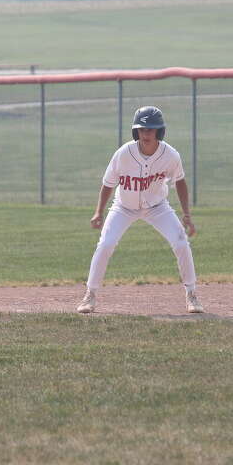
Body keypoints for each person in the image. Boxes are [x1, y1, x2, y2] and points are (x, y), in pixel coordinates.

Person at [78, 106, 202, 314]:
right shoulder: (124, 153)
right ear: (136, 131)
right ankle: (90, 294)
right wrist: (98, 211)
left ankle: (192, 295)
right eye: (142, 129)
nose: (146, 134)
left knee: (181, 242)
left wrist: (187, 215)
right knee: (106, 244)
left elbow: (179, 182)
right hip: (123, 207)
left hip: (157, 207)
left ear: (159, 132)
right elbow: (108, 184)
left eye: (151, 129)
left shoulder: (170, 155)